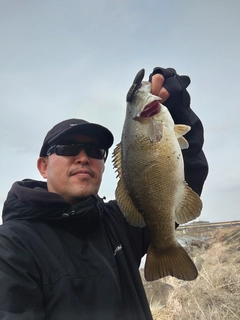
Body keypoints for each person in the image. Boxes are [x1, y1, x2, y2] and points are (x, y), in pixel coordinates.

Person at [0, 67, 208, 320]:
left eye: (95, 151)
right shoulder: (10, 247)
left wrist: (177, 109)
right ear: (43, 166)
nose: (83, 157)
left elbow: (187, 173)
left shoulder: (118, 223)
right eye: (68, 148)